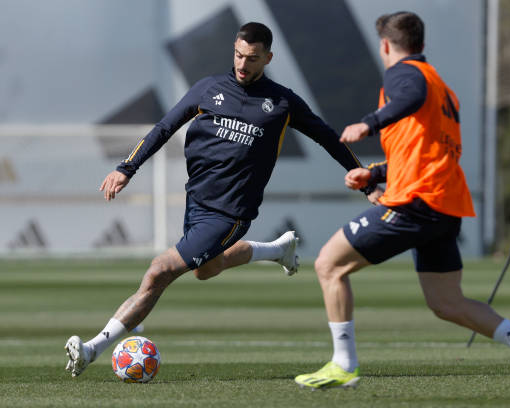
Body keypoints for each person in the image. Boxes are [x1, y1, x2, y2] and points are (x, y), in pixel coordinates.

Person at [65, 22, 366, 377]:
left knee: (159, 271)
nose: (243, 64)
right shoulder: (208, 89)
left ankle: (92, 349)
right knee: (206, 270)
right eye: (239, 55)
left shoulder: (283, 103)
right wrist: (126, 168)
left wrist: (366, 181)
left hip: (230, 214)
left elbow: (329, 138)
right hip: (197, 204)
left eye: (252, 58)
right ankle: (277, 250)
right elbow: (164, 128)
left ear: (268, 58)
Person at [294, 12, 510, 397]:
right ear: (421, 43)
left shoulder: (406, 76)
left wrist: (368, 123)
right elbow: (426, 151)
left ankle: (343, 365)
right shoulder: (442, 87)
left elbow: (409, 96)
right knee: (446, 302)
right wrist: (375, 174)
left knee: (328, 264)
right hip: (443, 203)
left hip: (417, 202)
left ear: (386, 45)